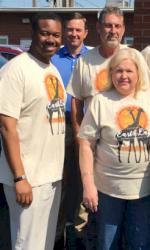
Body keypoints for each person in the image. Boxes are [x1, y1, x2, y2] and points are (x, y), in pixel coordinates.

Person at [78, 47, 150, 250]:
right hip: (107, 191)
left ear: (138, 73)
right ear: (111, 73)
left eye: (128, 71)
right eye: (118, 71)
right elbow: (85, 144)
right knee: (107, 244)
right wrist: (88, 185)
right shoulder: (100, 101)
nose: (123, 76)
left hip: (144, 191)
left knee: (141, 244)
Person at [0, 12, 65, 250]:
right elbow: (7, 127)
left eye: (56, 35)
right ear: (33, 33)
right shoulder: (15, 70)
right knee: (26, 244)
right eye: (45, 33)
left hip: (50, 176)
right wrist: (20, 178)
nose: (51, 40)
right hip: (29, 178)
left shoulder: (51, 69)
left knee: (44, 243)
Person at [66, 6, 126, 249]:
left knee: (119, 203)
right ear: (99, 28)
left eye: (117, 26)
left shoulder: (133, 57)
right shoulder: (86, 62)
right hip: (92, 145)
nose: (112, 30)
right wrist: (80, 136)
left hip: (122, 148)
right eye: (108, 25)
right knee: (90, 203)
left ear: (123, 29)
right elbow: (76, 101)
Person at [51, 12, 89, 249]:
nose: (74, 34)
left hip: (86, 125)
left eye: (78, 30)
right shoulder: (53, 58)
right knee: (60, 182)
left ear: (85, 33)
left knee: (84, 179)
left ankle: (80, 233)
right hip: (58, 126)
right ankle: (56, 234)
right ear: (65, 32)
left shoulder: (93, 58)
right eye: (70, 30)